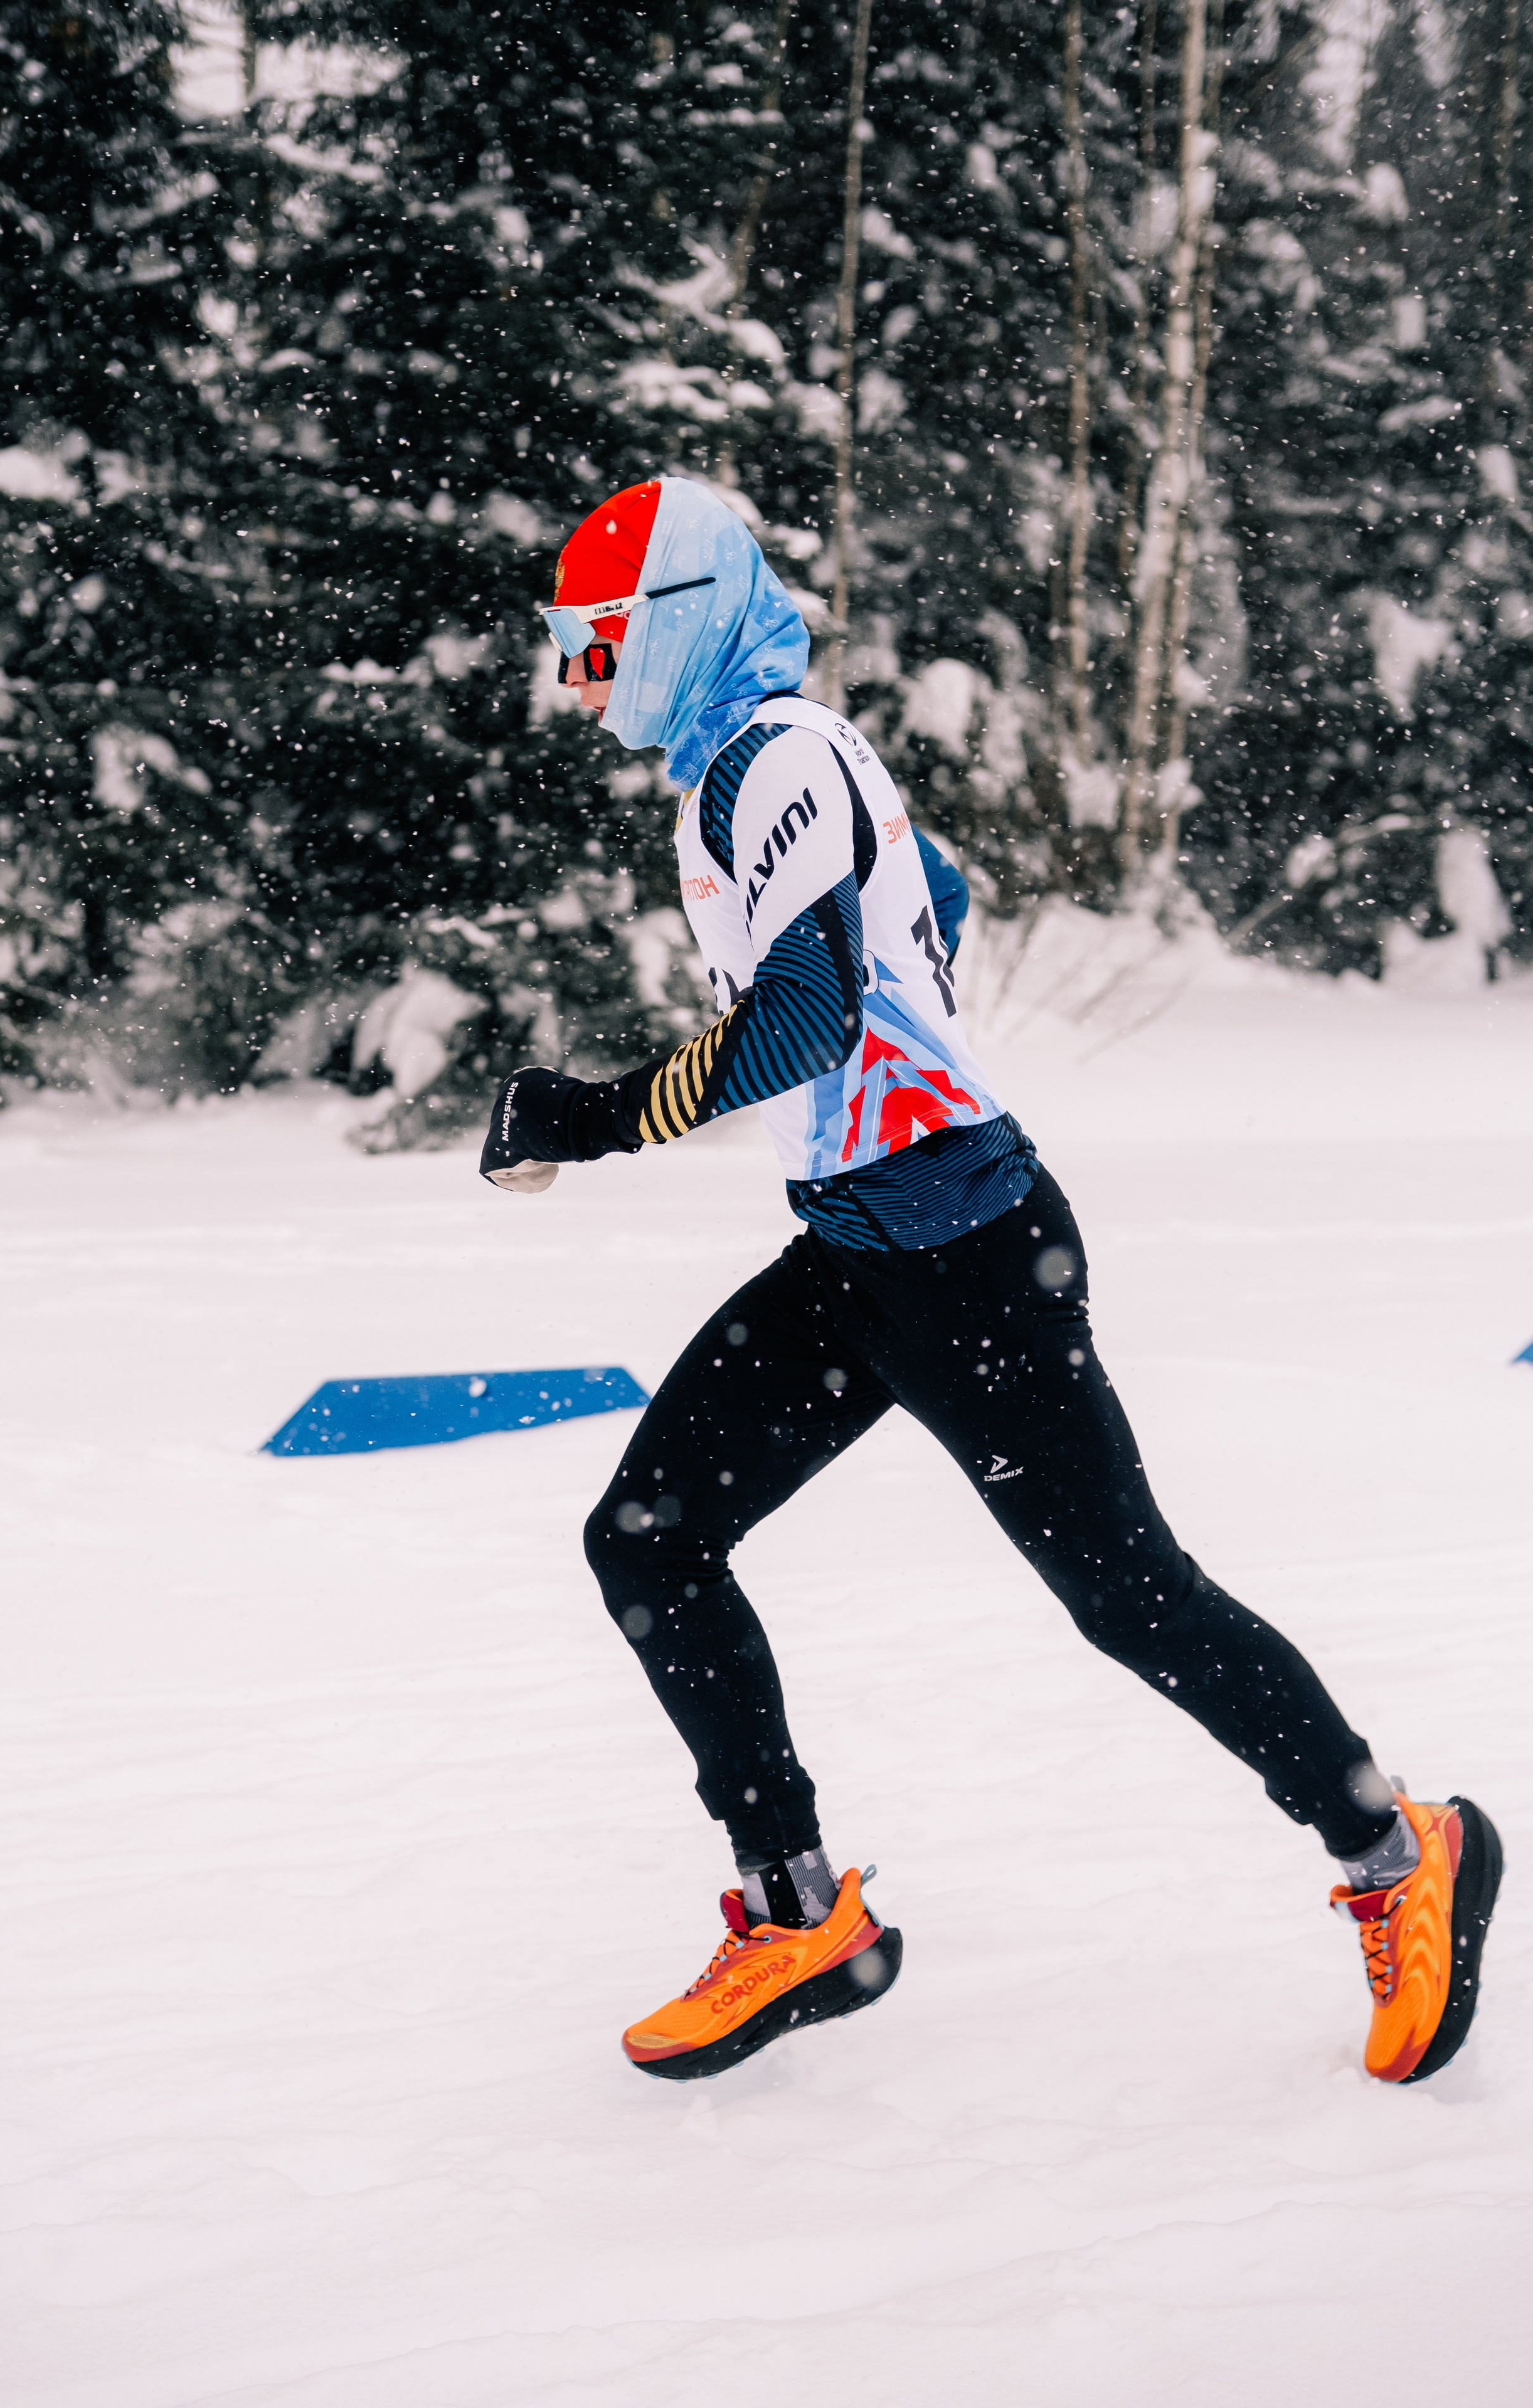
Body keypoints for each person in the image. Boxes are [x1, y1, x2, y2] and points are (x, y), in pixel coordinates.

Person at [480, 475, 1500, 2086]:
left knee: (1128, 1596)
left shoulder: (780, 759)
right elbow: (933, 895)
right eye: (570, 651)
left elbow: (809, 1020)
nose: (581, 682)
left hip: (964, 1250)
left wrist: (598, 1118)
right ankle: (798, 1911)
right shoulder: (747, 776)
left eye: (598, 645)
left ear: (676, 629)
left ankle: (1402, 1850)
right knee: (647, 1540)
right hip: (864, 1246)